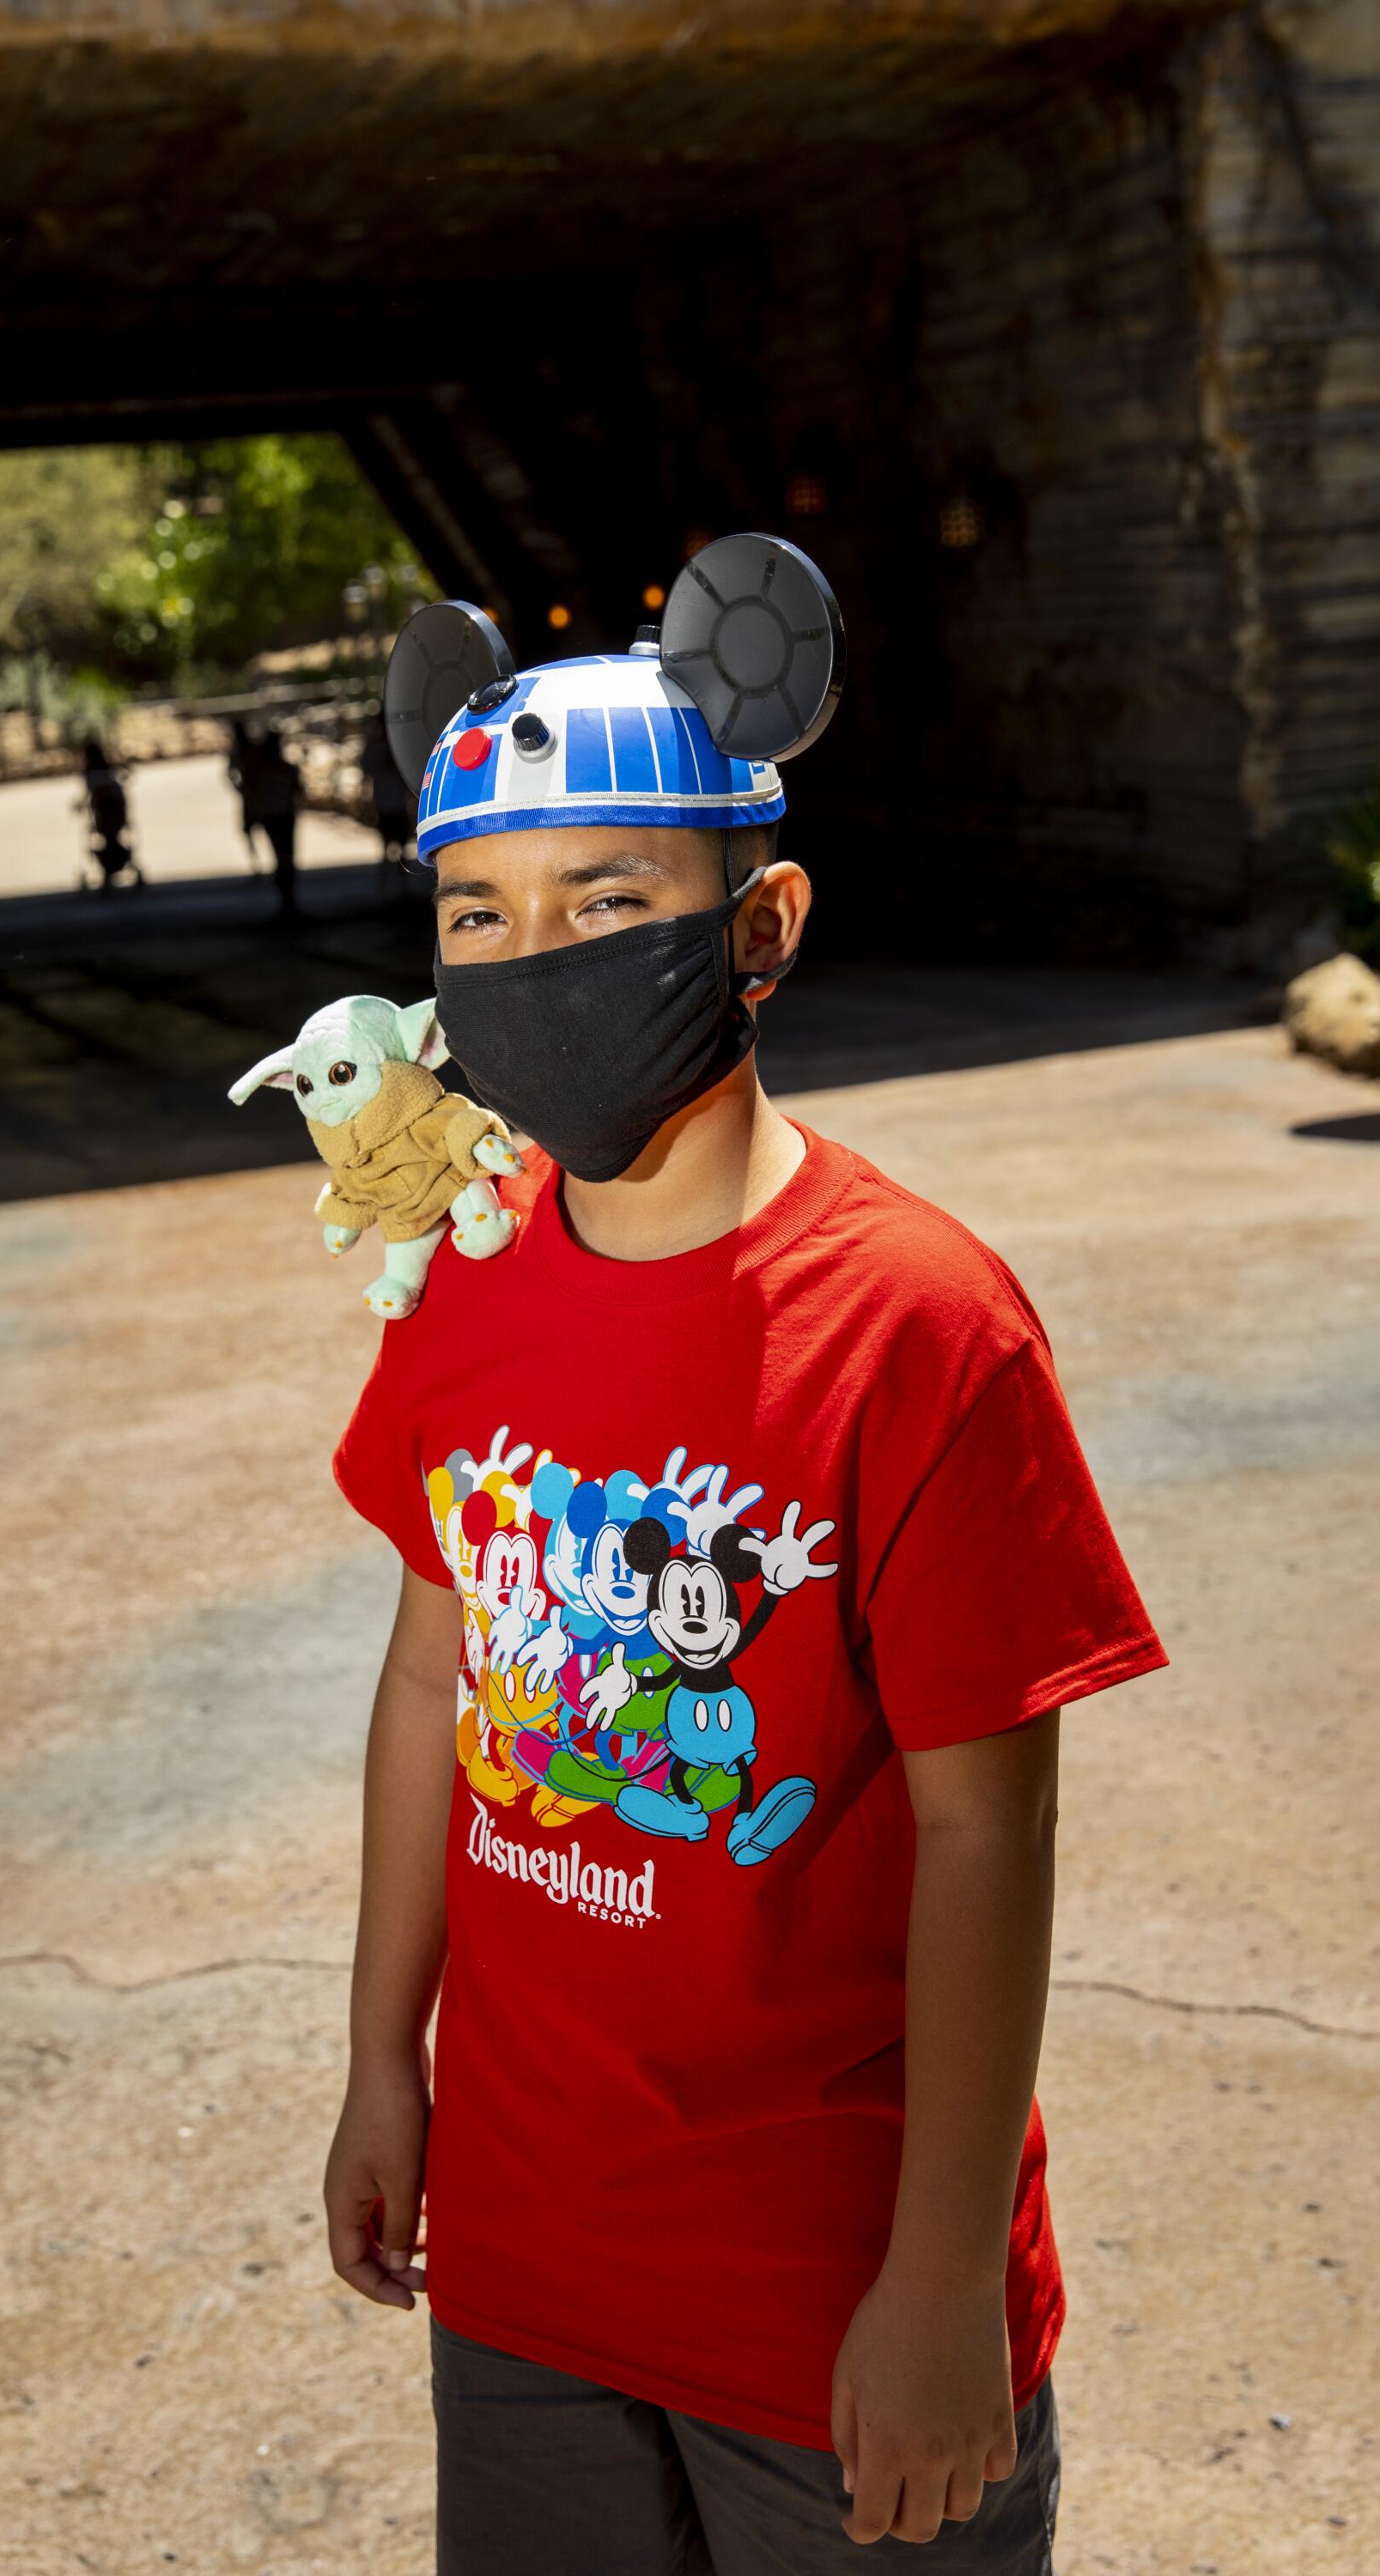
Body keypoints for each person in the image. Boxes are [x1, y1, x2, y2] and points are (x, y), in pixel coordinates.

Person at [322, 561, 1167, 2574]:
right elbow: (432, 1675)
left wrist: (941, 2281)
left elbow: (985, 1827)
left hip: (828, 2284)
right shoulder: (458, 1284)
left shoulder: (917, 1326)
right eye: (476, 917)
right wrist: (377, 2056)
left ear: (757, 926)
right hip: (527, 2267)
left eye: (604, 907)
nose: (530, 961)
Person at [250, 721, 301, 919]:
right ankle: (288, 900)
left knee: (281, 858)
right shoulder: (285, 769)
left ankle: (287, 900)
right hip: (283, 816)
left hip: (273, 816)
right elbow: (298, 790)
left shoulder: (262, 772)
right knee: (287, 858)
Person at [78, 737, 143, 890]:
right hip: (114, 816)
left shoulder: (92, 773)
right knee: (113, 838)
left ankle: (108, 869)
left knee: (103, 840)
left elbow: (87, 795)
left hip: (104, 818)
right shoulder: (109, 770)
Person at [361, 712, 413, 866]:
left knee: (401, 845)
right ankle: (388, 884)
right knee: (387, 844)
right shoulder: (375, 746)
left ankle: (400, 883)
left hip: (396, 801)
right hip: (384, 801)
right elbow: (367, 773)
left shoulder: (396, 745)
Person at [227, 715, 266, 867]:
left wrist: (240, 788)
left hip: (254, 795)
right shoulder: (251, 748)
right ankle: (257, 863)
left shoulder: (245, 750)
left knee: (250, 831)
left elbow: (230, 773)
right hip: (254, 794)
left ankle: (256, 863)